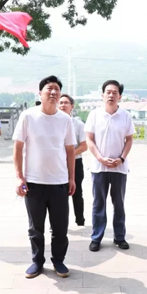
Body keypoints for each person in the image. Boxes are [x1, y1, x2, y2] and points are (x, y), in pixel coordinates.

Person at [13, 75, 76, 279]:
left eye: (57, 89)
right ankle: (37, 261)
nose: (53, 92)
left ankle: (58, 260)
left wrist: (72, 178)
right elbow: (18, 147)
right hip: (34, 182)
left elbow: (70, 151)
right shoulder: (28, 116)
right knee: (35, 228)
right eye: (49, 88)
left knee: (60, 228)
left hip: (59, 182)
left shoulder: (65, 120)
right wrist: (19, 177)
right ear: (40, 93)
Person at [85, 80, 135, 251]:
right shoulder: (94, 115)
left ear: (120, 96)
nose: (111, 95)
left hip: (119, 168)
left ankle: (119, 237)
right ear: (103, 95)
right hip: (99, 168)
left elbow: (129, 140)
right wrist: (100, 158)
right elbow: (89, 139)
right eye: (108, 92)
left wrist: (121, 158)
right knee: (99, 204)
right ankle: (96, 237)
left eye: (115, 92)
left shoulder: (125, 116)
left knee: (119, 204)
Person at [59, 94, 88, 226]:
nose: (63, 105)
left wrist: (69, 155)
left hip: (76, 162)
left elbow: (84, 146)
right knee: (58, 195)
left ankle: (80, 219)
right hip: (58, 164)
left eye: (66, 103)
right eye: (61, 103)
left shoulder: (78, 124)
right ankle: (59, 223)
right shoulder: (53, 123)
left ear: (72, 106)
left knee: (77, 191)